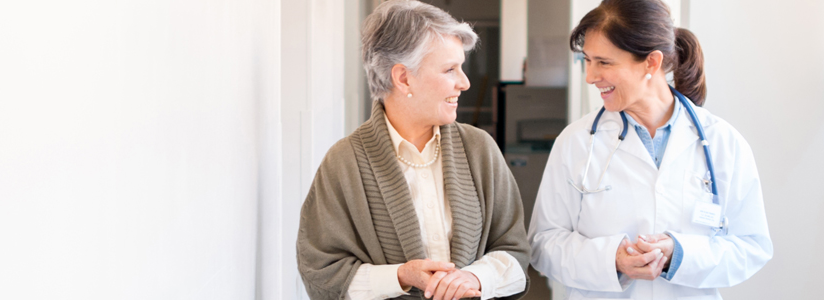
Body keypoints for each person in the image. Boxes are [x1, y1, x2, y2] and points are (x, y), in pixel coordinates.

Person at [527, 0, 773, 299]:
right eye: (588, 60)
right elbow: (543, 244)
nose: (590, 76)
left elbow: (751, 247)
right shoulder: (577, 142)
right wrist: (611, 259)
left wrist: (679, 255)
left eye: (604, 62)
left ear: (651, 63)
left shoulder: (722, 142)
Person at [296, 1, 531, 299]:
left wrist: (475, 277)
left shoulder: (480, 149)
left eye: (462, 67)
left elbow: (516, 252)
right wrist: (400, 276)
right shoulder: (344, 163)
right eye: (450, 69)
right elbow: (321, 274)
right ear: (403, 78)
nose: (465, 82)